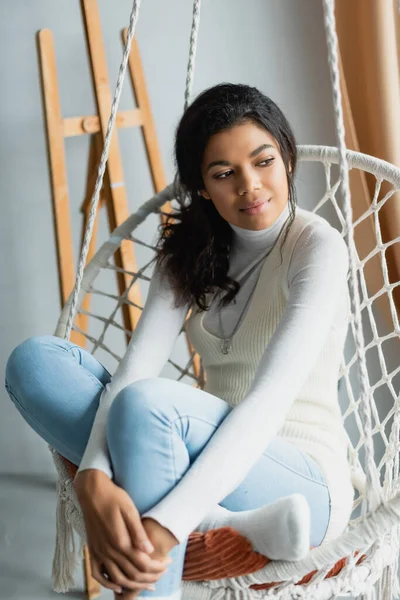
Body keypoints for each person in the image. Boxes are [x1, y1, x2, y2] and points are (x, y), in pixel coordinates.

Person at [5, 83, 354, 600]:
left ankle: (175, 537)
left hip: (303, 479)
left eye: (264, 161)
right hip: (206, 460)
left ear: (286, 157)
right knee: (34, 364)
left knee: (146, 407)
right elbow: (134, 369)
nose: (251, 186)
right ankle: (218, 518)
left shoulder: (316, 246)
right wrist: (94, 481)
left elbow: (266, 404)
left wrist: (162, 527)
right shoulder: (188, 251)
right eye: (224, 174)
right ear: (202, 186)